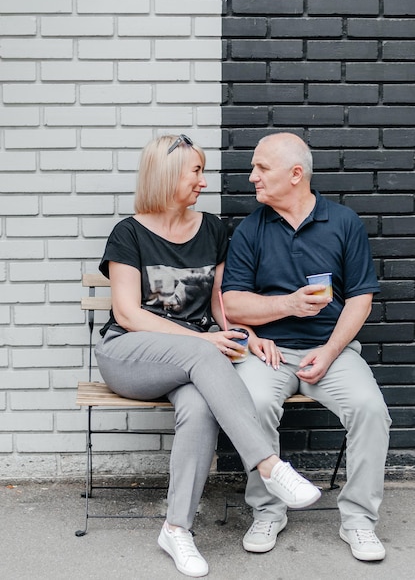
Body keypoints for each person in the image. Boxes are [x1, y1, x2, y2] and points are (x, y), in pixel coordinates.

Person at [94, 134, 321, 578]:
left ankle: (176, 528)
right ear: (167, 175)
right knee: (205, 355)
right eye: (195, 171)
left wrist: (247, 334)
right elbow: (126, 312)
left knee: (199, 409)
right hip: (129, 354)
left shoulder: (214, 229)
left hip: (195, 360)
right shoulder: (129, 233)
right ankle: (270, 465)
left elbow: (219, 304)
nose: (203, 180)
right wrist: (201, 340)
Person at [222, 132, 392, 562]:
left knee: (371, 410)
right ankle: (268, 510)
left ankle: (358, 521)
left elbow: (360, 297)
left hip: (331, 351)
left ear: (296, 174)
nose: (252, 177)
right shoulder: (251, 229)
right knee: (254, 402)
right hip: (270, 353)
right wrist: (288, 304)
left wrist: (332, 350)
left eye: (262, 168)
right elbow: (231, 302)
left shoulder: (343, 222)